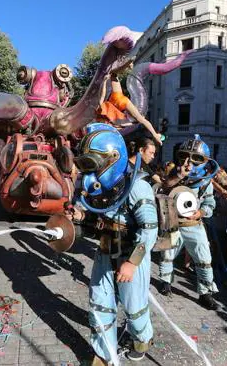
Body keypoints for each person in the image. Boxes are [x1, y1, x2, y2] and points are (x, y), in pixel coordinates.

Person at [71, 123, 157, 363]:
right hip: (106, 250)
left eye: (93, 165)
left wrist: (132, 263)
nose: (89, 175)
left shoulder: (138, 186)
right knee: (100, 304)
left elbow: (149, 229)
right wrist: (81, 217)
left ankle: (142, 338)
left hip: (130, 254)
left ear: (112, 158)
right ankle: (103, 353)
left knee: (134, 307)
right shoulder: (102, 188)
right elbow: (97, 218)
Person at [158, 135, 219, 309]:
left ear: (204, 161)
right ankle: (166, 282)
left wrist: (199, 212)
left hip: (193, 224)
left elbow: (210, 204)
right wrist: (178, 176)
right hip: (171, 220)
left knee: (204, 258)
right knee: (167, 254)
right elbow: (164, 188)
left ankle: (205, 293)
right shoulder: (175, 174)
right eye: (184, 156)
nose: (189, 161)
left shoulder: (205, 182)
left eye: (195, 158)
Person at [96, 64, 163, 145]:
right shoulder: (102, 111)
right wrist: (104, 81)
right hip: (116, 99)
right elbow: (102, 95)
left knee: (141, 119)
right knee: (114, 74)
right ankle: (126, 64)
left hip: (120, 102)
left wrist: (104, 81)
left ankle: (155, 135)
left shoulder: (104, 115)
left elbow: (102, 95)